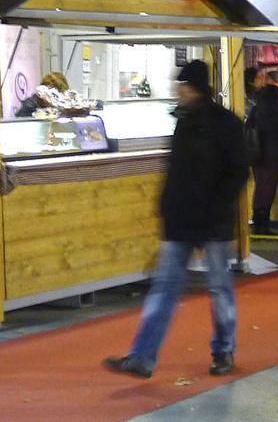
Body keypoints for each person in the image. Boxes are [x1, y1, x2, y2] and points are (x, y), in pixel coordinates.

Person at [103, 61, 248, 379]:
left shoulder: (220, 124)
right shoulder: (188, 122)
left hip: (208, 220)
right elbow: (179, 171)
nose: (177, 91)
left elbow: (237, 172)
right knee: (176, 288)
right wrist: (168, 207)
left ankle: (221, 350)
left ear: (192, 88)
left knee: (213, 289)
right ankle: (142, 356)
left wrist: (205, 207)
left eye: (181, 85)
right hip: (186, 218)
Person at [250, 83, 278, 235]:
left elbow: (248, 129)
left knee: (260, 186)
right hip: (273, 154)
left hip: (257, 155)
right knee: (269, 188)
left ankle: (256, 221)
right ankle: (264, 224)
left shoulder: (255, 110)